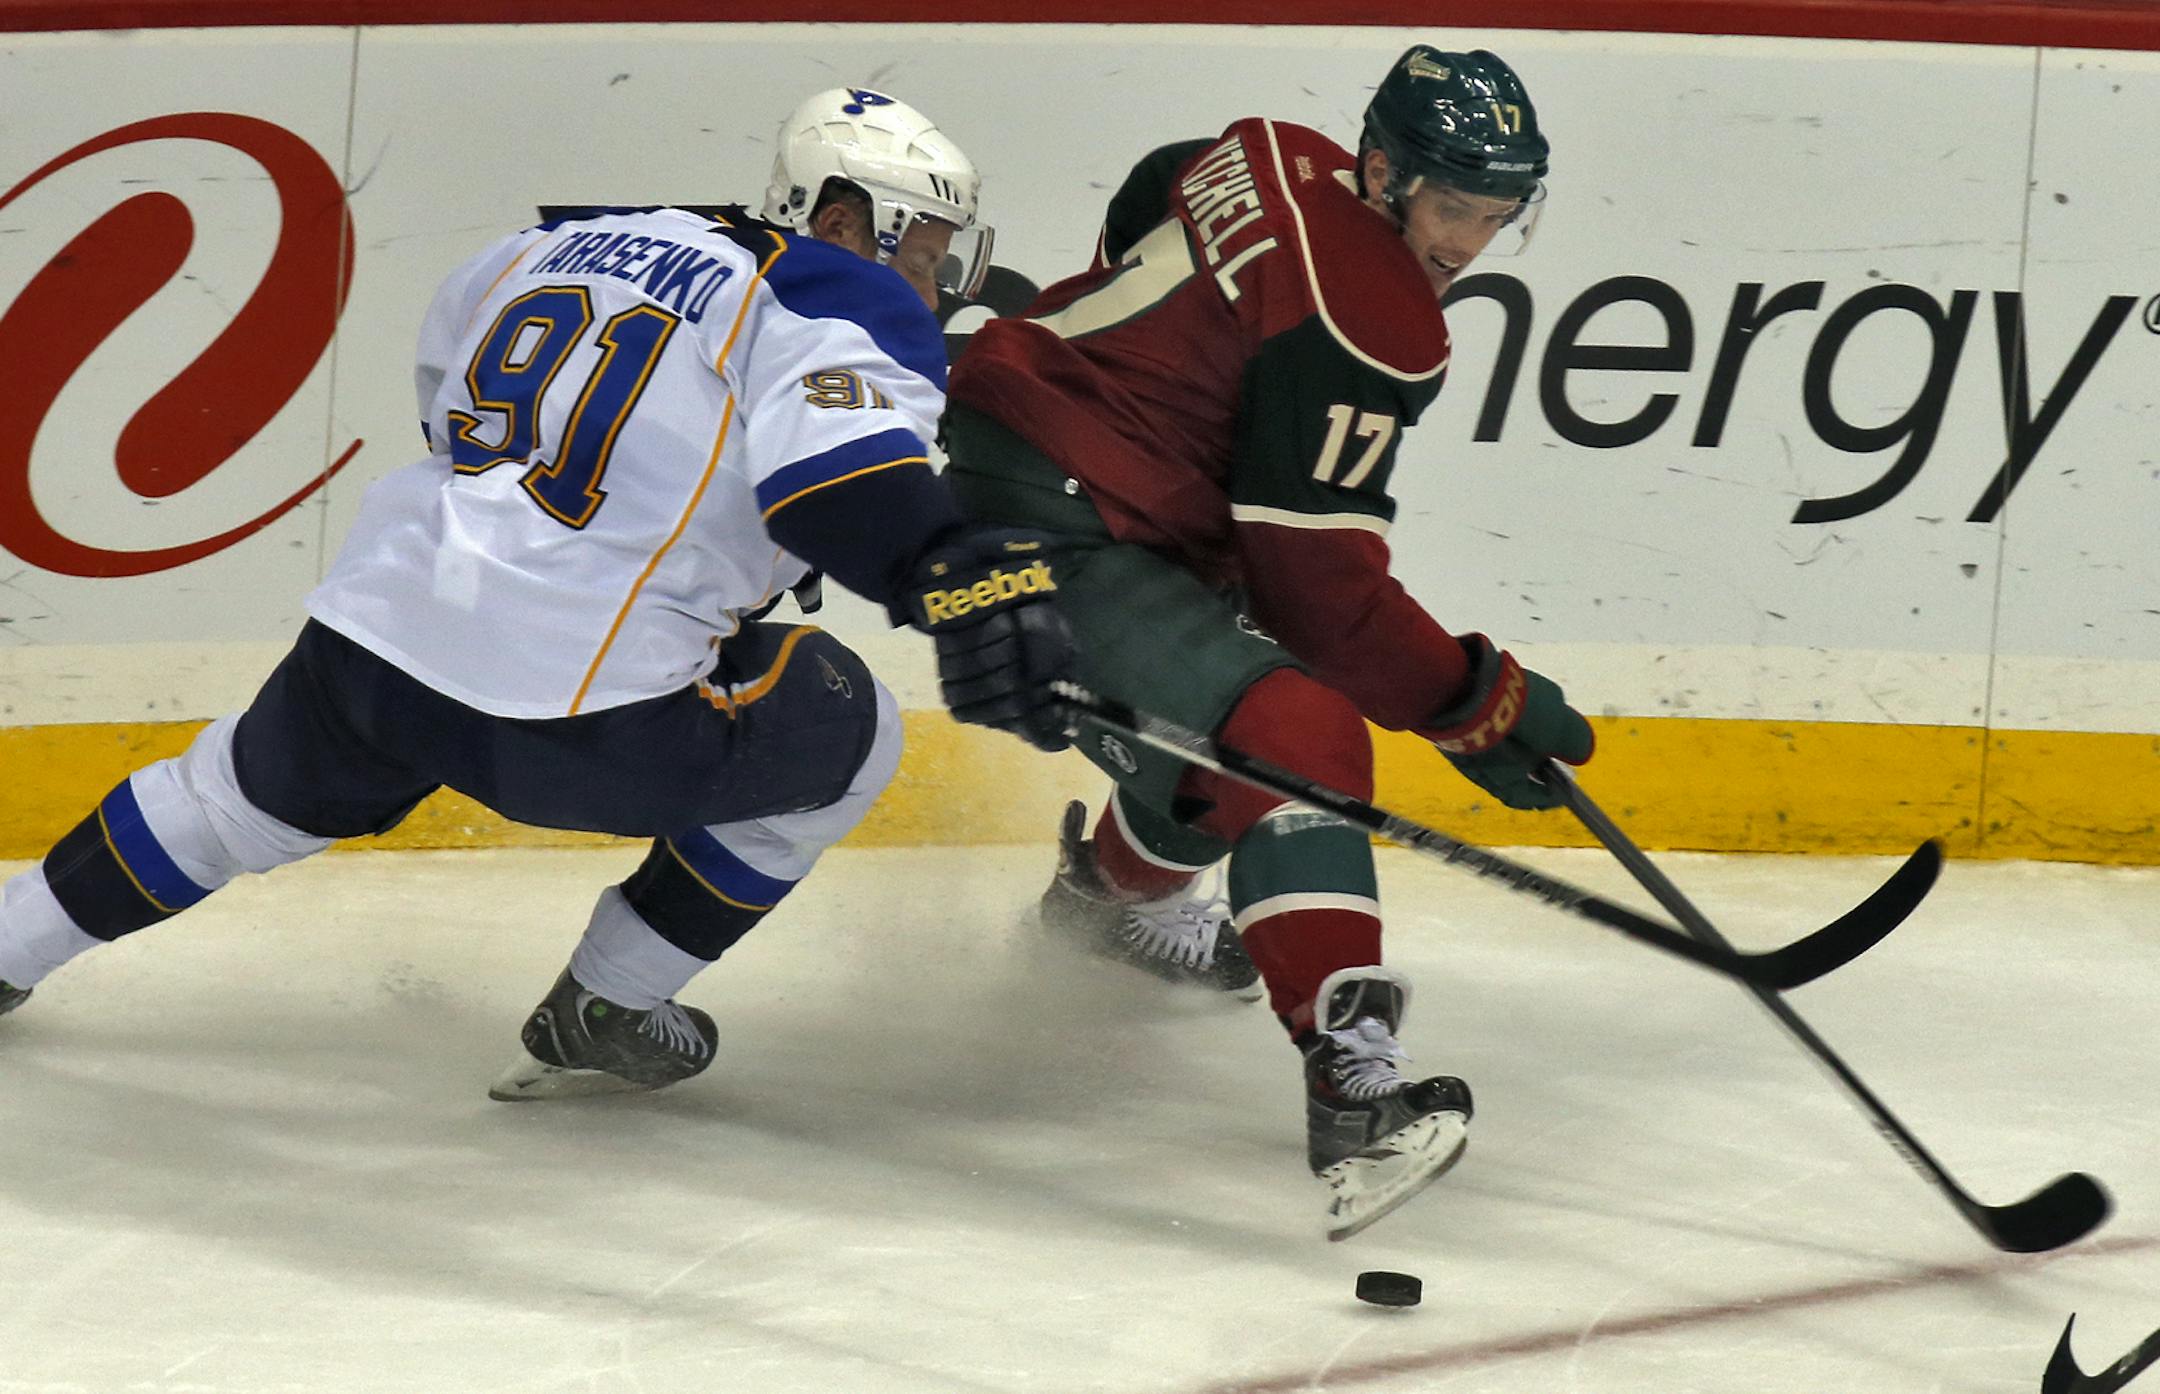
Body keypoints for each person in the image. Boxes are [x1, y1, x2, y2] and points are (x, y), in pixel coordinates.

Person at [0, 87, 1074, 1105]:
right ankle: (609, 1001)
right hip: (588, 716)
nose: (931, 288)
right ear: (841, 222)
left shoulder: (544, 246)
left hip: (377, 639)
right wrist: (955, 571)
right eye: (925, 256)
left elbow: (448, 411)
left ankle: (7, 949)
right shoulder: (836, 292)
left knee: (223, 799)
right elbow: (836, 485)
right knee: (856, 729)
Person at [941, 47, 1594, 1238]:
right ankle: (1355, 1090)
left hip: (1043, 461)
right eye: (1454, 206)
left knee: (1226, 717)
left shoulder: (1277, 151)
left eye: (1499, 213)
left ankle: (1107, 906)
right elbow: (1323, 597)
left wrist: (1137, 384)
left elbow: (1158, 183)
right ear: (1386, 173)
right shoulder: (1372, 316)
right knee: (1297, 734)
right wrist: (1474, 698)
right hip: (1064, 523)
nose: (1470, 241)